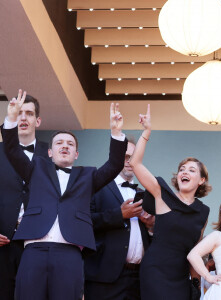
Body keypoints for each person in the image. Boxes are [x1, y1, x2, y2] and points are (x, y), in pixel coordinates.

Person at [1, 90, 128, 300]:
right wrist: (12, 118)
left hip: (70, 252)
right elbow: (12, 150)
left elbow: (115, 164)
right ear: (49, 152)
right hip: (34, 250)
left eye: (70, 144)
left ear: (76, 154)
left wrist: (116, 132)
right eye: (59, 143)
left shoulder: (88, 176)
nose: (65, 146)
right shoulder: (35, 169)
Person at [129, 105, 211, 300]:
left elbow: (196, 249)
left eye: (192, 170)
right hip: (155, 270)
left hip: (181, 276)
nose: (184, 172)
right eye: (182, 169)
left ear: (201, 180)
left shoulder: (203, 211)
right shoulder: (161, 194)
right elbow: (135, 164)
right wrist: (146, 132)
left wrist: (196, 283)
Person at [84, 140, 155, 300]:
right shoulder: (97, 187)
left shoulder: (144, 192)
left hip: (138, 278)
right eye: (126, 157)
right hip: (104, 278)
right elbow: (84, 222)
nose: (130, 162)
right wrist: (119, 214)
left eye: (134, 157)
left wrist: (151, 226)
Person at [0, 90, 49, 300]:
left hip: (38, 243)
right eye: (19, 113)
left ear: (37, 121)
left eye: (28, 113)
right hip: (2, 243)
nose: (23, 118)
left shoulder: (51, 154)